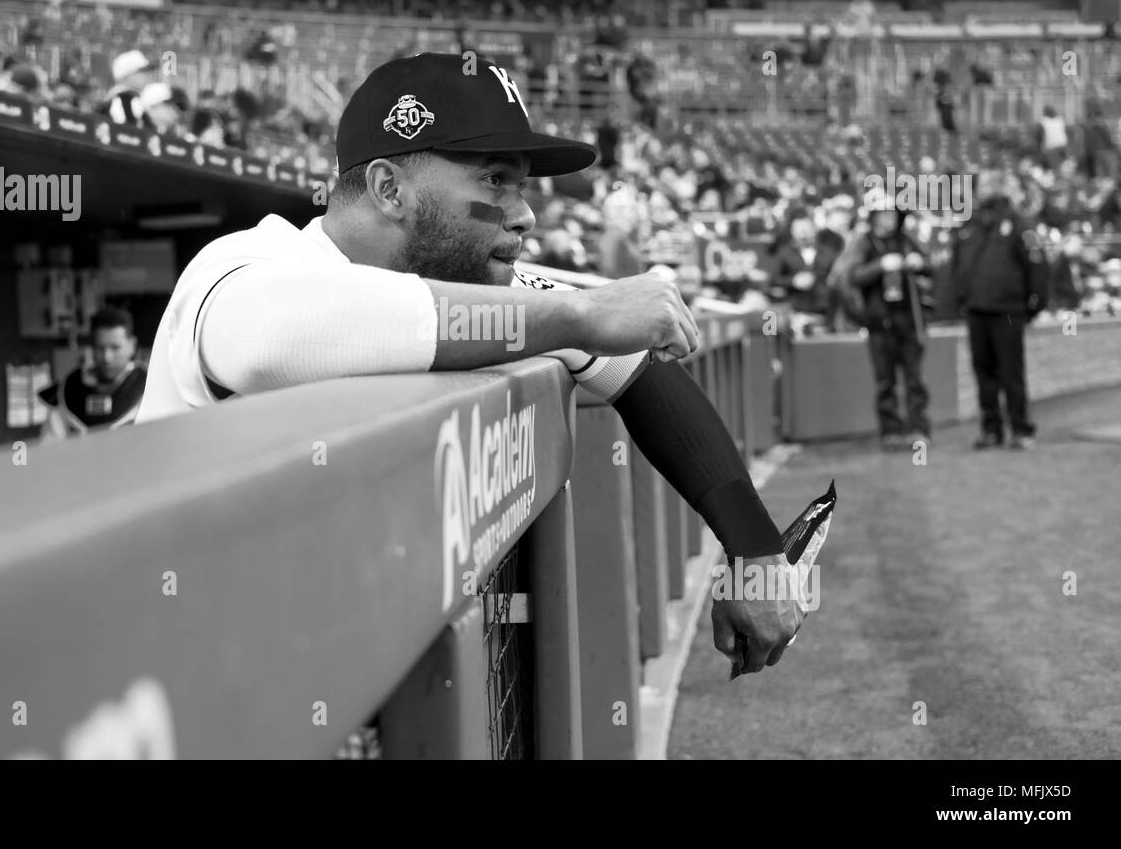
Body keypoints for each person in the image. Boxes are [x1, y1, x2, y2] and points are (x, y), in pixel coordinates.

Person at [138, 52, 805, 675]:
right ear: (389, 189)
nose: (525, 215)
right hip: (173, 684)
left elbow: (645, 374)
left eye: (522, 185)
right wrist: (575, 316)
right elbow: (274, 342)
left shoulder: (488, 292)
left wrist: (755, 552)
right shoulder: (246, 265)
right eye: (495, 180)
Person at [952, 195, 1050, 450]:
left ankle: (1020, 429)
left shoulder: (1019, 224)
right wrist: (961, 299)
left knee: (1010, 372)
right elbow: (957, 266)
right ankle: (991, 429)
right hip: (976, 310)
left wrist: (1034, 305)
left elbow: (1038, 266)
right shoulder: (969, 225)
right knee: (983, 372)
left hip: (1008, 310)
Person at [846, 205, 933, 449]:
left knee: (914, 379)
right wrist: (881, 265)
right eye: (884, 214)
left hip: (909, 321)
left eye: (892, 214)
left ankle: (918, 428)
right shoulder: (864, 243)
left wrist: (920, 262)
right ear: (873, 218)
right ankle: (891, 431)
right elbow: (853, 276)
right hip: (880, 324)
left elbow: (930, 264)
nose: (889, 218)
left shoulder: (906, 241)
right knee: (885, 382)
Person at [39, 307, 147, 441]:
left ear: (132, 345)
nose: (107, 357)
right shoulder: (67, 391)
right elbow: (49, 447)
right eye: (100, 348)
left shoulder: (150, 388)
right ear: (92, 346)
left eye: (115, 348)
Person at [98, 49, 153, 126]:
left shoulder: (129, 98)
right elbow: (128, 134)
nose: (146, 76)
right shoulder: (124, 100)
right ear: (127, 76)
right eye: (141, 72)